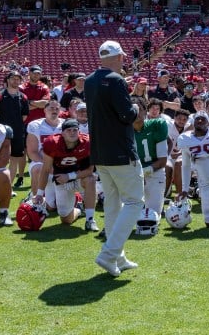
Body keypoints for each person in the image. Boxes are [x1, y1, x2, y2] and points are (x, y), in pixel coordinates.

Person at [85, 40, 142, 277]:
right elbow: (127, 115)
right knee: (134, 202)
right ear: (118, 57)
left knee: (112, 202)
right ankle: (109, 253)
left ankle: (117, 256)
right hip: (120, 150)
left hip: (100, 151)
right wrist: (138, 107)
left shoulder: (89, 81)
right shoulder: (117, 81)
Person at [34, 118, 98, 230]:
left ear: (79, 132)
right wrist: (39, 193)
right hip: (62, 181)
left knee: (91, 179)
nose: (72, 133)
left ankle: (90, 220)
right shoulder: (52, 143)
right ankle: (78, 209)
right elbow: (45, 170)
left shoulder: (88, 143)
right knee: (66, 219)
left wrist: (69, 176)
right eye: (69, 130)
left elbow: (90, 170)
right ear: (62, 133)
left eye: (75, 130)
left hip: (79, 178)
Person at [0, 71, 30, 190]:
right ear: (7, 80)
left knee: (14, 160)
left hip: (17, 133)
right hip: (0, 134)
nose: (16, 81)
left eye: (18, 79)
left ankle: (8, 187)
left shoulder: (23, 97)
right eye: (13, 78)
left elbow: (24, 116)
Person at [131, 97, 170, 215]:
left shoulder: (157, 125)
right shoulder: (122, 131)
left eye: (140, 109)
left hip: (154, 172)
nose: (137, 113)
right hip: (132, 174)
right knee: (128, 213)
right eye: (133, 109)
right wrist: (137, 176)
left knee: (151, 216)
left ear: (145, 111)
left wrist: (143, 173)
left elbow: (162, 161)